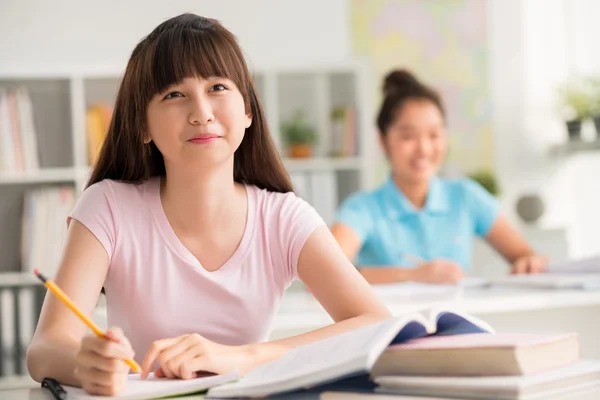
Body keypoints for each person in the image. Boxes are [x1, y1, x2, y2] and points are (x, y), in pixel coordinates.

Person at [26, 14, 390, 396]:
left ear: (248, 111)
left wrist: (244, 357)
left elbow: (375, 322)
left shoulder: (283, 217)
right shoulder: (108, 206)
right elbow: (44, 349)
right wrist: (85, 364)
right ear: (142, 126)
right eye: (174, 95)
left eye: (217, 86)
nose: (201, 112)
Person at [331, 69, 547, 285]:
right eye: (408, 136)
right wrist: (412, 276)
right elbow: (328, 272)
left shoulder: (464, 196)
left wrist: (528, 262)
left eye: (434, 135)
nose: (424, 149)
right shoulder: (362, 209)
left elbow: (524, 254)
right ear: (383, 140)